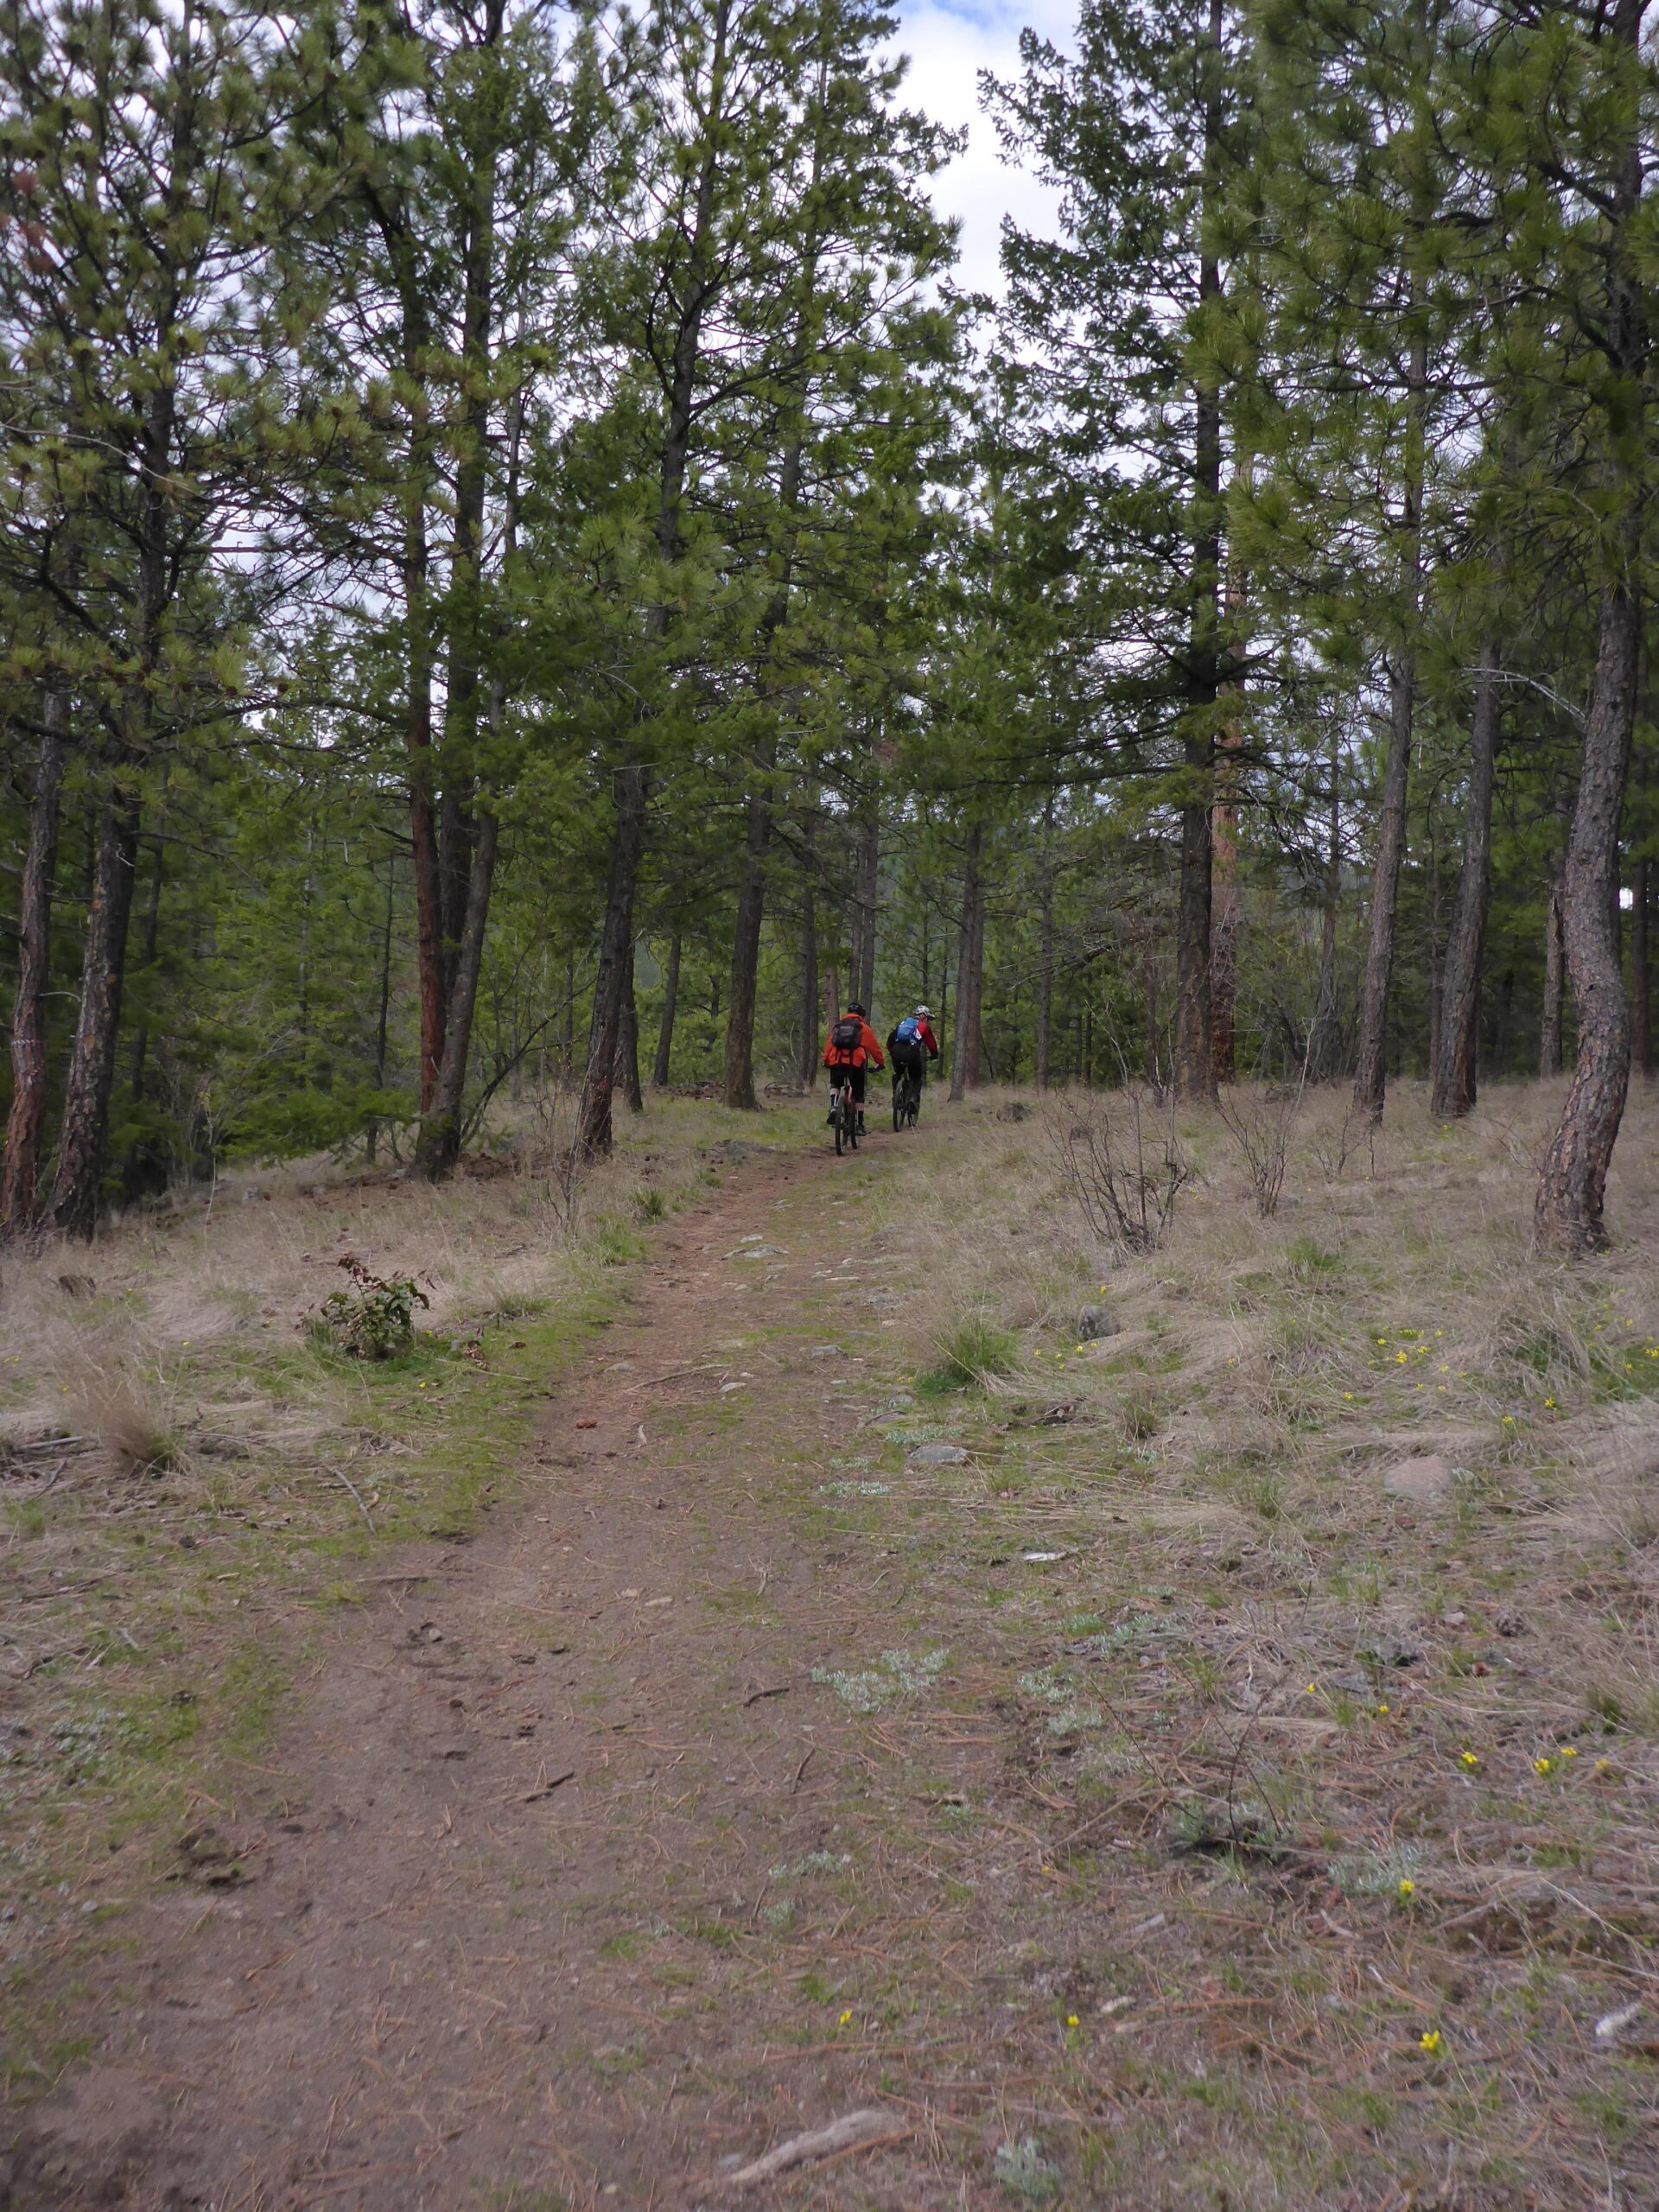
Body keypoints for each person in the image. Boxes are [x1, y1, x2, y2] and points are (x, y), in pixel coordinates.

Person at [821, 1001, 884, 1133]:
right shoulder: (864, 1028)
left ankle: (833, 1106)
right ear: (861, 1015)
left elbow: (829, 1045)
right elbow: (874, 1048)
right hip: (855, 1063)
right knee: (859, 1092)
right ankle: (860, 1125)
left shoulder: (838, 1027)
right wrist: (880, 1062)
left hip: (836, 1061)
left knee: (835, 1084)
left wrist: (825, 1060)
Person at [886, 1004, 940, 1109]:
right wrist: (934, 1055)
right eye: (928, 1019)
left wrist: (892, 1052)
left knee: (898, 1073)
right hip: (912, 1053)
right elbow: (931, 1043)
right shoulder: (923, 1026)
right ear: (923, 1016)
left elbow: (890, 1040)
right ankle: (913, 1099)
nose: (928, 1021)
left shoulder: (903, 1023)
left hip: (896, 1051)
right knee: (916, 1077)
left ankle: (895, 1096)